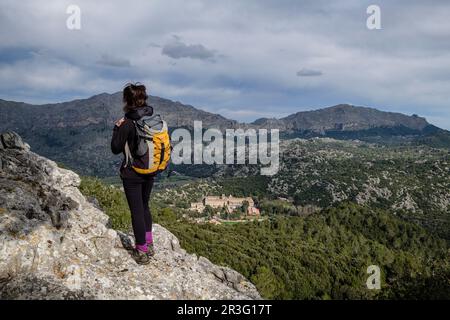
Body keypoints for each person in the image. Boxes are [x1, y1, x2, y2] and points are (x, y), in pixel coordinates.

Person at [111, 83, 155, 265]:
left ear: (126, 100)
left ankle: (142, 251)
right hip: (150, 170)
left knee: (136, 211)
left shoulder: (127, 123)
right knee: (144, 206)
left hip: (133, 174)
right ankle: (150, 243)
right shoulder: (152, 119)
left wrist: (116, 128)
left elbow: (115, 148)